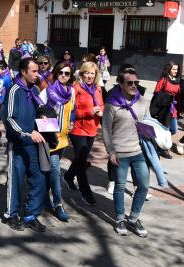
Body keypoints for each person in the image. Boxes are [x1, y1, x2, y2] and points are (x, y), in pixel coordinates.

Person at [103, 65, 150, 237]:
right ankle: (120, 218)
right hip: (120, 153)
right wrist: (111, 151)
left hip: (137, 151)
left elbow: (146, 125)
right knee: (120, 186)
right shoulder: (112, 103)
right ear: (121, 84)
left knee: (144, 185)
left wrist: (151, 132)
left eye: (136, 82)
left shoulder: (143, 101)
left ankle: (134, 218)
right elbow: (106, 128)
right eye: (129, 83)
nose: (134, 86)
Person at [3, 58, 47, 232]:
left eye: (38, 71)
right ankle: (11, 214)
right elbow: (9, 119)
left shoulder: (34, 90)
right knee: (16, 181)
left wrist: (43, 118)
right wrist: (27, 134)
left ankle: (31, 215)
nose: (38, 74)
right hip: (19, 144)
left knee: (39, 178)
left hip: (35, 145)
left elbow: (38, 111)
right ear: (23, 72)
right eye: (34, 71)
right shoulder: (14, 90)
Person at [39, 61, 76, 222]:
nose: (63, 76)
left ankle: (45, 198)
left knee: (50, 170)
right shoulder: (48, 91)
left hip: (63, 137)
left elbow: (72, 110)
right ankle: (59, 204)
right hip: (50, 136)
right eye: (61, 72)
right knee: (55, 170)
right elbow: (38, 108)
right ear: (56, 73)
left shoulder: (71, 91)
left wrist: (72, 122)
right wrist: (43, 117)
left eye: (67, 73)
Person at [63, 61, 104, 206]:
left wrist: (100, 111)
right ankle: (86, 193)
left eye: (92, 73)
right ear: (81, 74)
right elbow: (72, 110)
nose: (89, 76)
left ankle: (68, 176)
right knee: (81, 163)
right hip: (78, 129)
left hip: (92, 128)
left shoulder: (98, 89)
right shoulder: (76, 88)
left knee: (82, 158)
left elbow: (102, 105)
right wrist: (88, 112)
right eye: (87, 73)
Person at [151, 61, 181, 159]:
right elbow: (156, 93)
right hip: (164, 109)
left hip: (173, 109)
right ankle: (164, 149)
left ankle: (159, 142)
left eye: (177, 69)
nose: (176, 71)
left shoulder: (178, 81)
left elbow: (179, 96)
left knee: (174, 129)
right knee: (166, 129)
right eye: (174, 69)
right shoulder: (163, 80)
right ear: (169, 69)